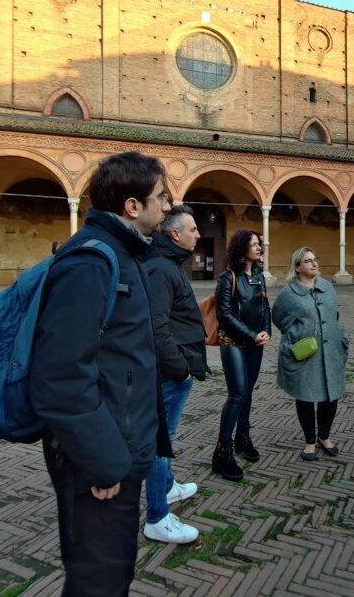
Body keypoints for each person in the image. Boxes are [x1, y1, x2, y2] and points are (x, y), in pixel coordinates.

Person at [28, 151, 172, 597]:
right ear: (133, 206)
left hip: (119, 449)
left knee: (111, 573)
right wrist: (104, 461)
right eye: (161, 197)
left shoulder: (123, 254)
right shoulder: (91, 262)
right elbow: (59, 378)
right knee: (99, 579)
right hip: (101, 460)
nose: (168, 206)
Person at [142, 205, 209, 544]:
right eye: (193, 229)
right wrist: (180, 368)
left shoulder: (170, 264)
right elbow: (157, 327)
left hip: (176, 369)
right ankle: (156, 516)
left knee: (165, 438)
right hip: (170, 373)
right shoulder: (161, 269)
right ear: (174, 235)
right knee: (160, 442)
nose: (199, 234)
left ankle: (167, 488)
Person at [272, 247, 348, 461]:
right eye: (307, 261)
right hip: (306, 353)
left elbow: (335, 314)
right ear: (297, 267)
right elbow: (278, 317)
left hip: (331, 350)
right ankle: (309, 441)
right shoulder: (289, 293)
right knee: (305, 395)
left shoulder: (327, 287)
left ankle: (324, 437)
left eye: (315, 259)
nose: (314, 264)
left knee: (330, 394)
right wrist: (297, 334)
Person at [211, 229, 271, 481]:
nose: (259, 247)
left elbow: (265, 305)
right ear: (242, 248)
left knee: (247, 391)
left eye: (259, 244)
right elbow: (224, 315)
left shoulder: (258, 276)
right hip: (234, 342)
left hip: (256, 342)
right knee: (237, 394)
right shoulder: (228, 278)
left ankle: (242, 438)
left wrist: (266, 329)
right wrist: (250, 335)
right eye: (254, 244)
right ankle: (221, 452)